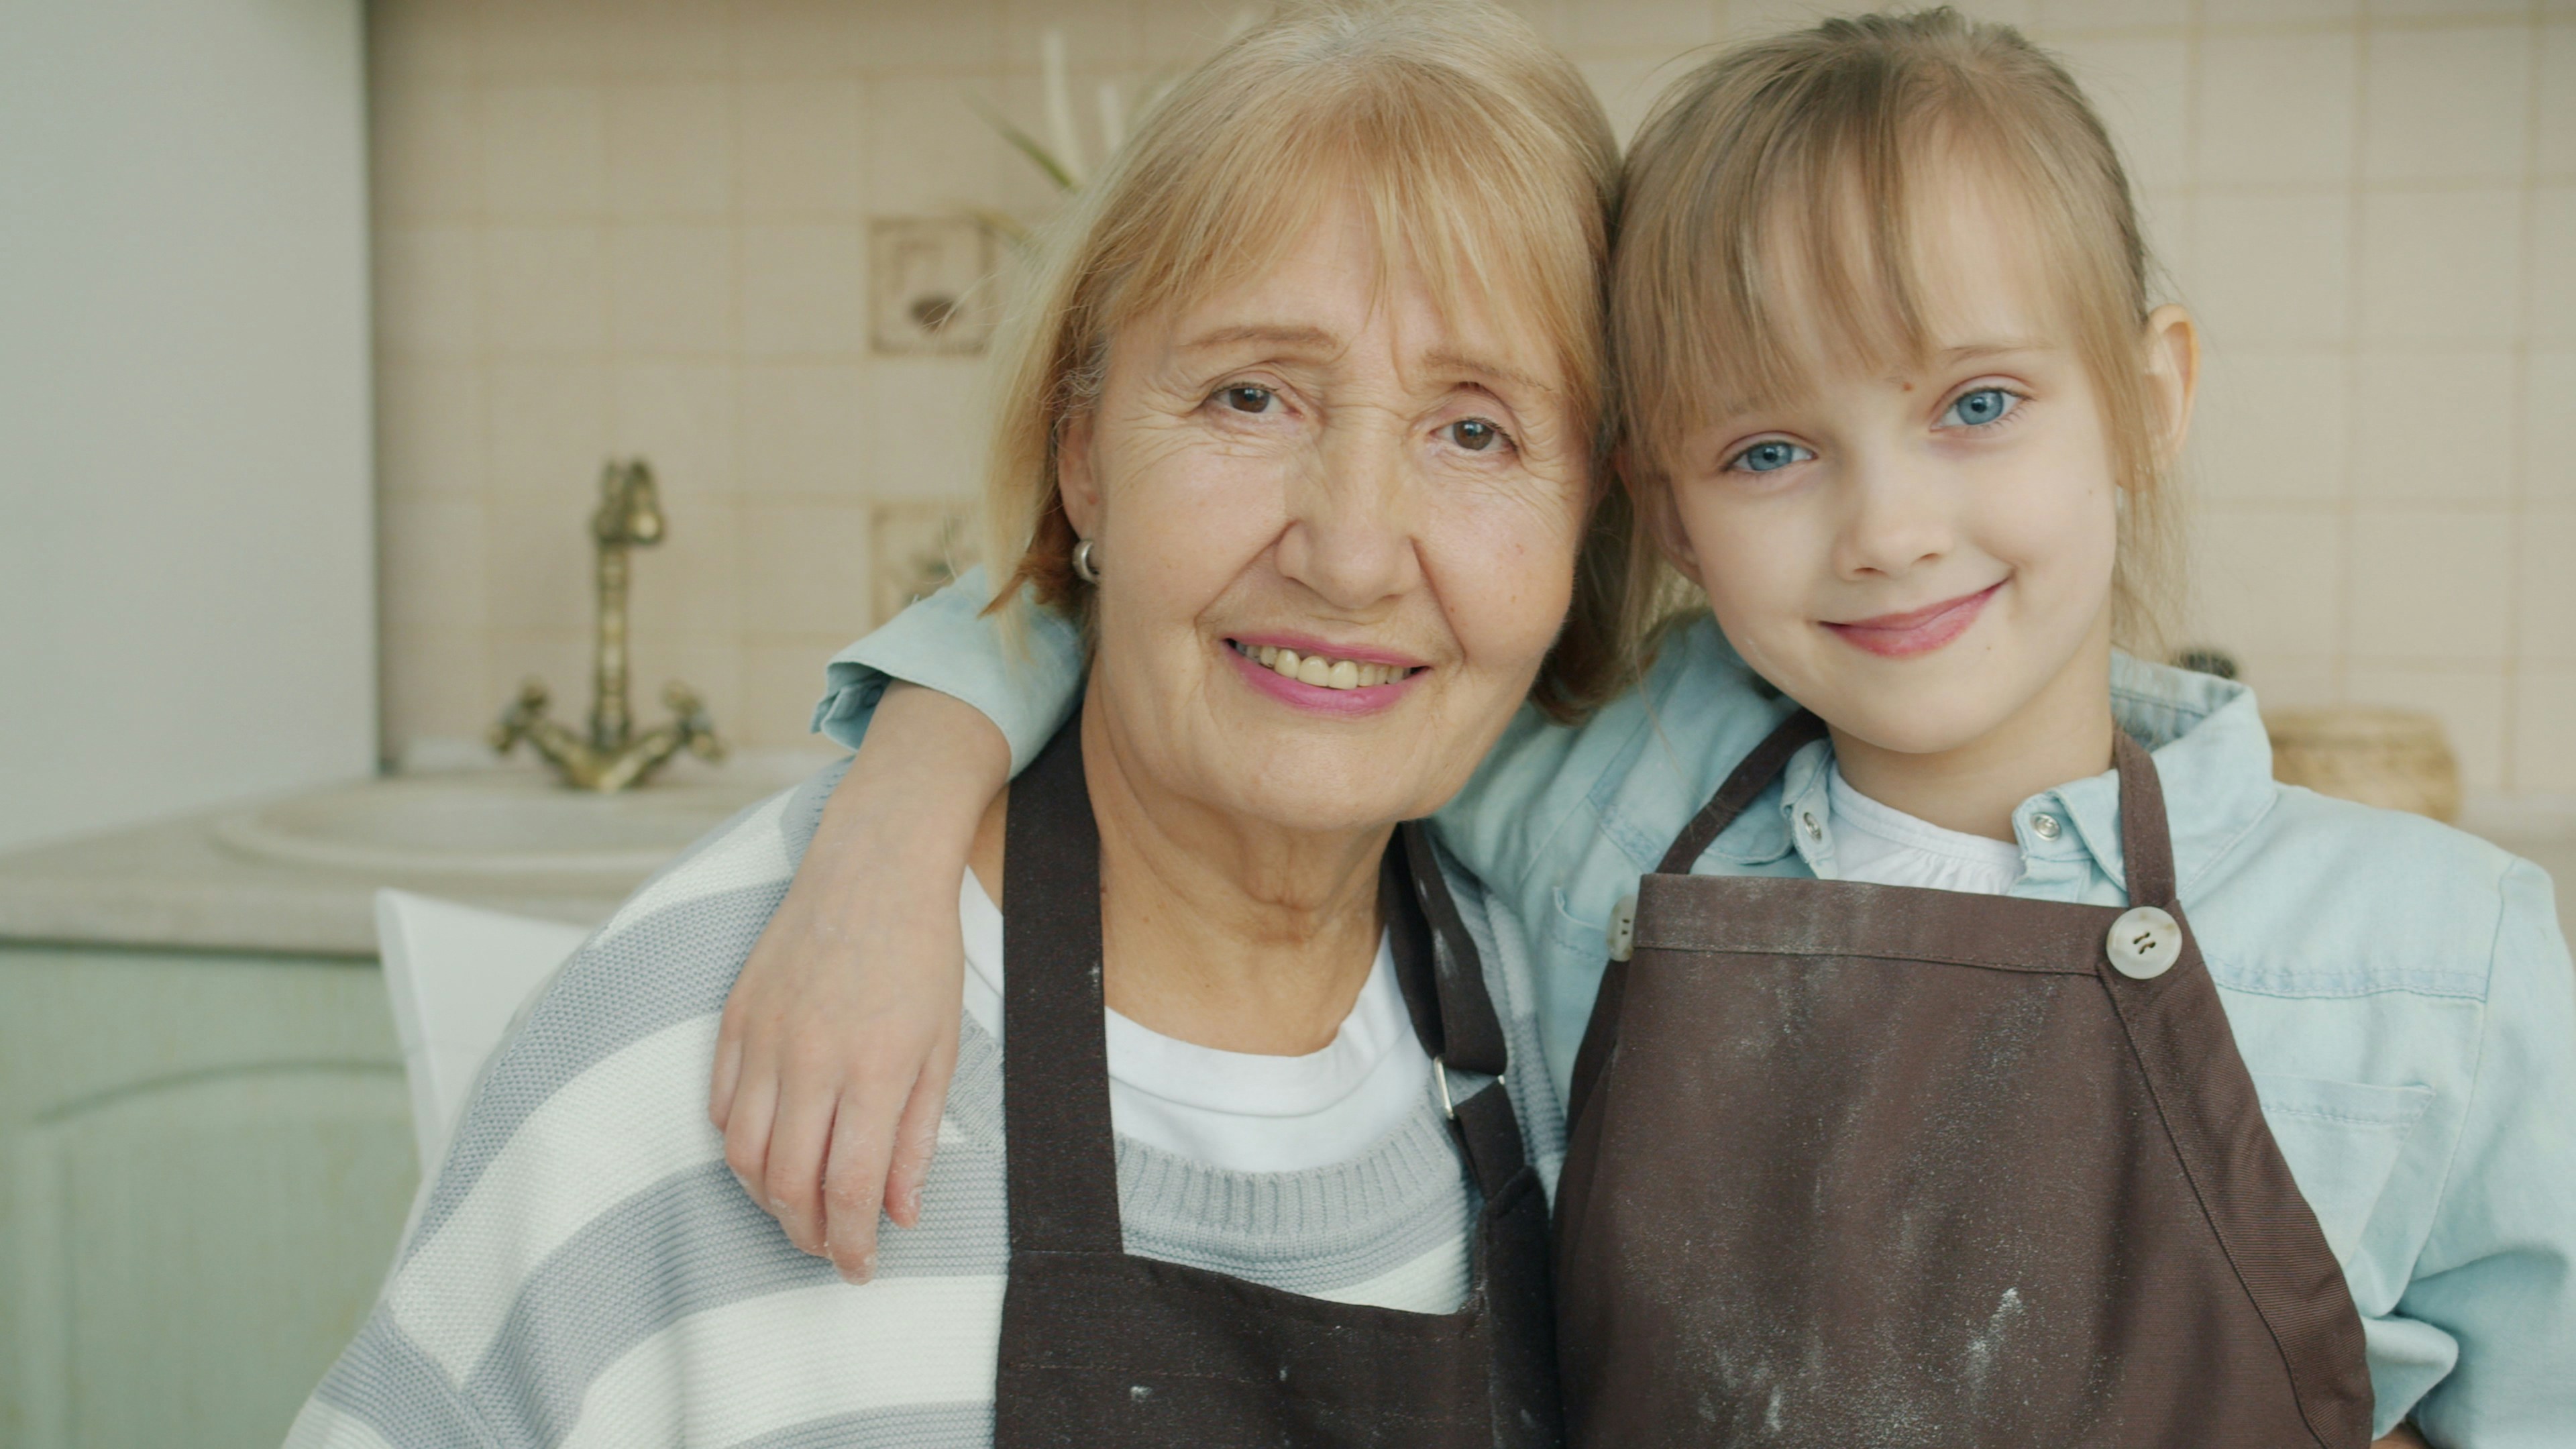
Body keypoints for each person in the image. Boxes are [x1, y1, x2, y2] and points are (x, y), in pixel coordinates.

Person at [706, 10, 2576, 1447]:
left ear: (2149, 394)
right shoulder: (1608, 810)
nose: (1891, 524)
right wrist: (901, 805)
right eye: (1772, 449)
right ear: (1663, 506)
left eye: (1981, 402)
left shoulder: (2438, 960)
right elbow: (1231, 650)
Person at [286, 5, 1631, 1444]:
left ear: (1593, 512)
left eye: (1476, 429)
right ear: (1084, 455)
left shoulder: (1587, 1034)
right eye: (1250, 396)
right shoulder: (716, 1034)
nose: (1352, 553)